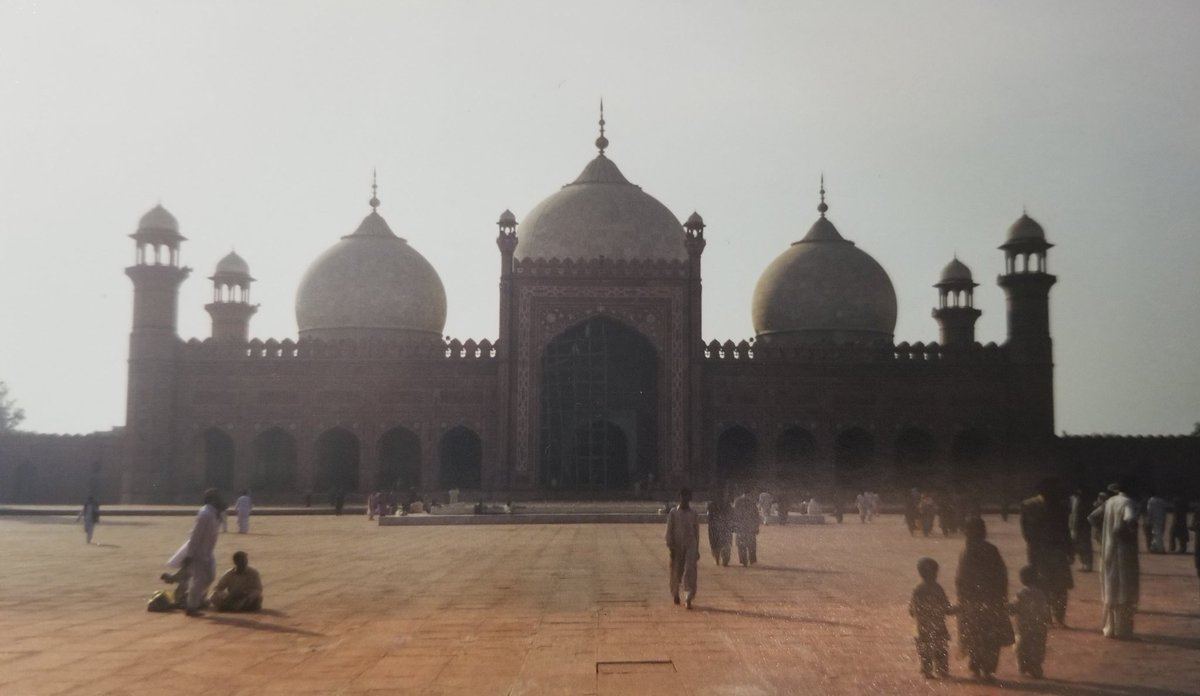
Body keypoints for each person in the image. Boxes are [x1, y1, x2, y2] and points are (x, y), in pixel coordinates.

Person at [955, 517, 1013, 681]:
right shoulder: (991, 549)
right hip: (991, 599)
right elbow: (1002, 575)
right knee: (990, 636)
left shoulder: (966, 551)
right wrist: (1001, 597)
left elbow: (961, 579)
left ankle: (975, 667)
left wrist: (963, 600)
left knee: (974, 635)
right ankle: (988, 669)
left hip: (972, 601)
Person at [1020, 477, 1074, 626]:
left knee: (1060, 587)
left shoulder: (1060, 506)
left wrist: (1069, 549)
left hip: (1055, 552)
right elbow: (1027, 532)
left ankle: (1059, 618)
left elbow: (1065, 530)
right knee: (1042, 585)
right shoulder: (1029, 505)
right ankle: (1047, 617)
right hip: (1041, 552)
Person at [1098, 478, 1140, 639]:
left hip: (1109, 550)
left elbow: (1094, 517)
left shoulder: (1110, 502)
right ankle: (1124, 631)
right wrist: (1130, 531)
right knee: (1125, 591)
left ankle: (1110, 629)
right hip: (1124, 553)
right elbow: (1129, 520)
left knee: (1111, 590)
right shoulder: (1128, 502)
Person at [179, 488, 225, 617]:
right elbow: (195, 536)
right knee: (199, 580)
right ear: (212, 499)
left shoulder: (214, 513)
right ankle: (191, 607)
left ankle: (197, 599)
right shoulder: (205, 514)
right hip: (199, 552)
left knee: (210, 576)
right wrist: (189, 555)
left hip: (208, 552)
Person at [909, 557, 954, 679]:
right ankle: (942, 670)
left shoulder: (917, 589)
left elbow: (911, 610)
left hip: (922, 627)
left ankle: (927, 671)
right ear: (935, 573)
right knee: (940, 650)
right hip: (938, 626)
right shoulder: (938, 588)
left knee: (924, 651)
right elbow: (946, 607)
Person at [1010, 565, 1051, 679]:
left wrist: (1008, 609)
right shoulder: (1041, 593)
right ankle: (1036, 666)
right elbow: (1046, 610)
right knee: (1038, 647)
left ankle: (1024, 666)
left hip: (1024, 626)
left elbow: (1014, 607)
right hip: (1039, 626)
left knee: (1022, 646)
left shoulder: (1021, 593)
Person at [665, 488, 700, 609]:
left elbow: (696, 532)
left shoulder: (693, 514)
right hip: (677, 545)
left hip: (691, 545)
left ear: (690, 498)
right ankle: (675, 593)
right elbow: (669, 530)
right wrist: (670, 546)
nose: (685, 499)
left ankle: (688, 597)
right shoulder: (673, 513)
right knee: (676, 571)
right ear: (679, 497)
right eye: (683, 496)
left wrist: (697, 549)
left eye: (687, 496)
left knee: (690, 570)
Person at [1069, 487, 1094, 572]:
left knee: (1085, 545)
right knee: (1079, 545)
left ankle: (1087, 565)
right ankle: (1084, 563)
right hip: (1075, 524)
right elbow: (1073, 513)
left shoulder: (1084, 502)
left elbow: (1081, 514)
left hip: (1083, 526)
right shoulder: (1072, 499)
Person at [732, 489, 759, 566]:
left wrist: (734, 524)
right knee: (751, 544)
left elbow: (734, 514)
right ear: (749, 493)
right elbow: (756, 515)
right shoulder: (752, 502)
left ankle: (743, 560)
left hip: (741, 526)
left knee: (741, 544)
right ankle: (751, 560)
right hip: (749, 526)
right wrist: (756, 526)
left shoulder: (737, 501)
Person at [706, 495, 732, 566]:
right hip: (718, 528)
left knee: (719, 544)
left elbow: (708, 517)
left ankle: (721, 559)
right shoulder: (726, 505)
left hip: (719, 528)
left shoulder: (712, 505)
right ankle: (721, 559)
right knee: (719, 544)